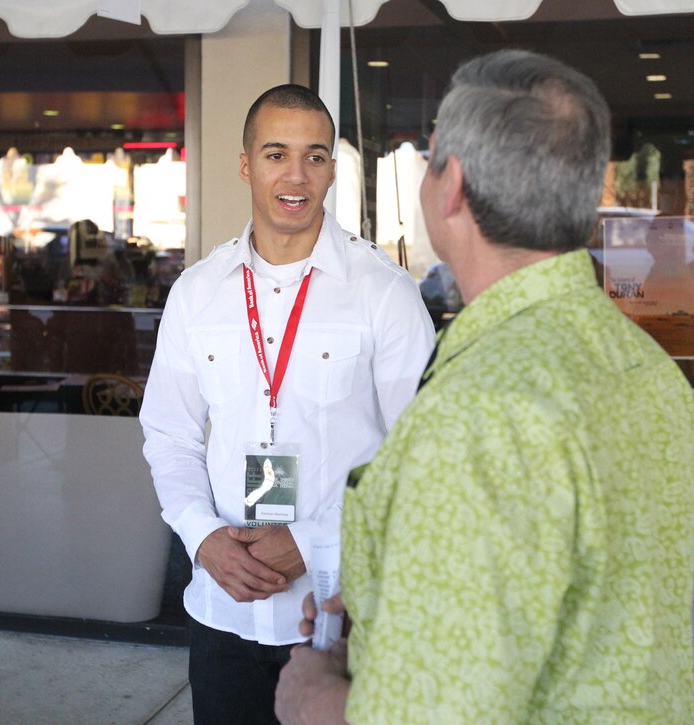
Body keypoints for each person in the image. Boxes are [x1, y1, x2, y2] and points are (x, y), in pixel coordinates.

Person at [275, 50, 694, 724]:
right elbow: (585, 600)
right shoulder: (646, 368)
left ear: (453, 186)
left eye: (429, 155)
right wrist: (394, 607)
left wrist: (316, 700)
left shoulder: (480, 413)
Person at [139, 84, 434, 724]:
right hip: (221, 613)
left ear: (332, 169)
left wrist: (315, 542)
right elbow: (169, 434)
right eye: (276, 154)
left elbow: (422, 459)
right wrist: (203, 536)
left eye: (316, 156)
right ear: (246, 164)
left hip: (339, 618)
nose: (296, 175)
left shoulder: (384, 293)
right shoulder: (197, 293)